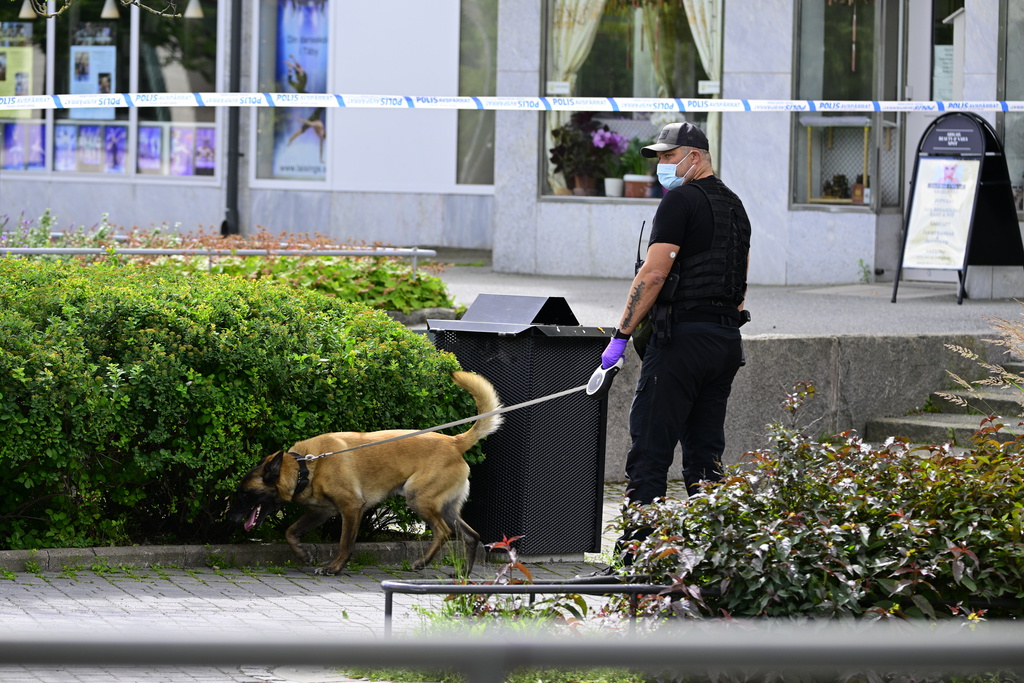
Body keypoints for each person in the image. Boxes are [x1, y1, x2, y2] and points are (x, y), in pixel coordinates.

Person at [600, 121, 751, 560]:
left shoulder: (679, 200)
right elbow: (740, 282)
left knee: (649, 450)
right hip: (724, 342)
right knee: (705, 457)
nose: (662, 166)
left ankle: (633, 560)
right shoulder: (736, 206)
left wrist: (620, 338)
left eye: (669, 156)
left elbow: (653, 274)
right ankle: (716, 557)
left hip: (681, 342)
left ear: (695, 157)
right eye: (660, 158)